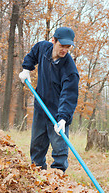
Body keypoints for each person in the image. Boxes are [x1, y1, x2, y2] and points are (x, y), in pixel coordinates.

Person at [19, 27, 80, 173]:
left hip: (58, 115)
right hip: (41, 108)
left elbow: (69, 95)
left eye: (68, 47)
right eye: (62, 45)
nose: (65, 50)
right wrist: (26, 69)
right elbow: (32, 55)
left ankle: (57, 182)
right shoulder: (43, 48)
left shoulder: (70, 70)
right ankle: (37, 176)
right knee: (37, 147)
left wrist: (63, 119)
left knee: (60, 151)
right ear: (53, 41)